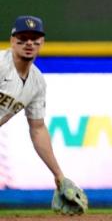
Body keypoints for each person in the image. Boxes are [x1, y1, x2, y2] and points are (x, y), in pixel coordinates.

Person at [0, 15, 86, 204]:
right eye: (23, 37)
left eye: (34, 38)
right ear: (13, 40)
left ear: (42, 42)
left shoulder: (37, 82)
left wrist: (59, 176)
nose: (29, 42)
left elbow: (37, 128)